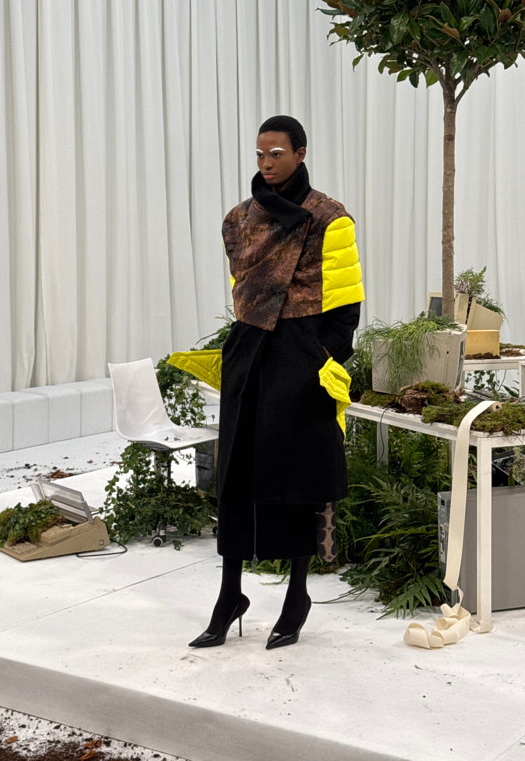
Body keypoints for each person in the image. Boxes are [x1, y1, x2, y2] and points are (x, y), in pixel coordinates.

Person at [188, 115, 364, 650]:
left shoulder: (330, 218)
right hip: (249, 352)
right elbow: (245, 292)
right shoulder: (238, 219)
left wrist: (321, 358)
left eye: (277, 154)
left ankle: (297, 595)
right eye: (260, 154)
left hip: (302, 355)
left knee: (296, 479)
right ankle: (229, 595)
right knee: (236, 474)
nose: (266, 163)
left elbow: (346, 306)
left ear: (301, 153)